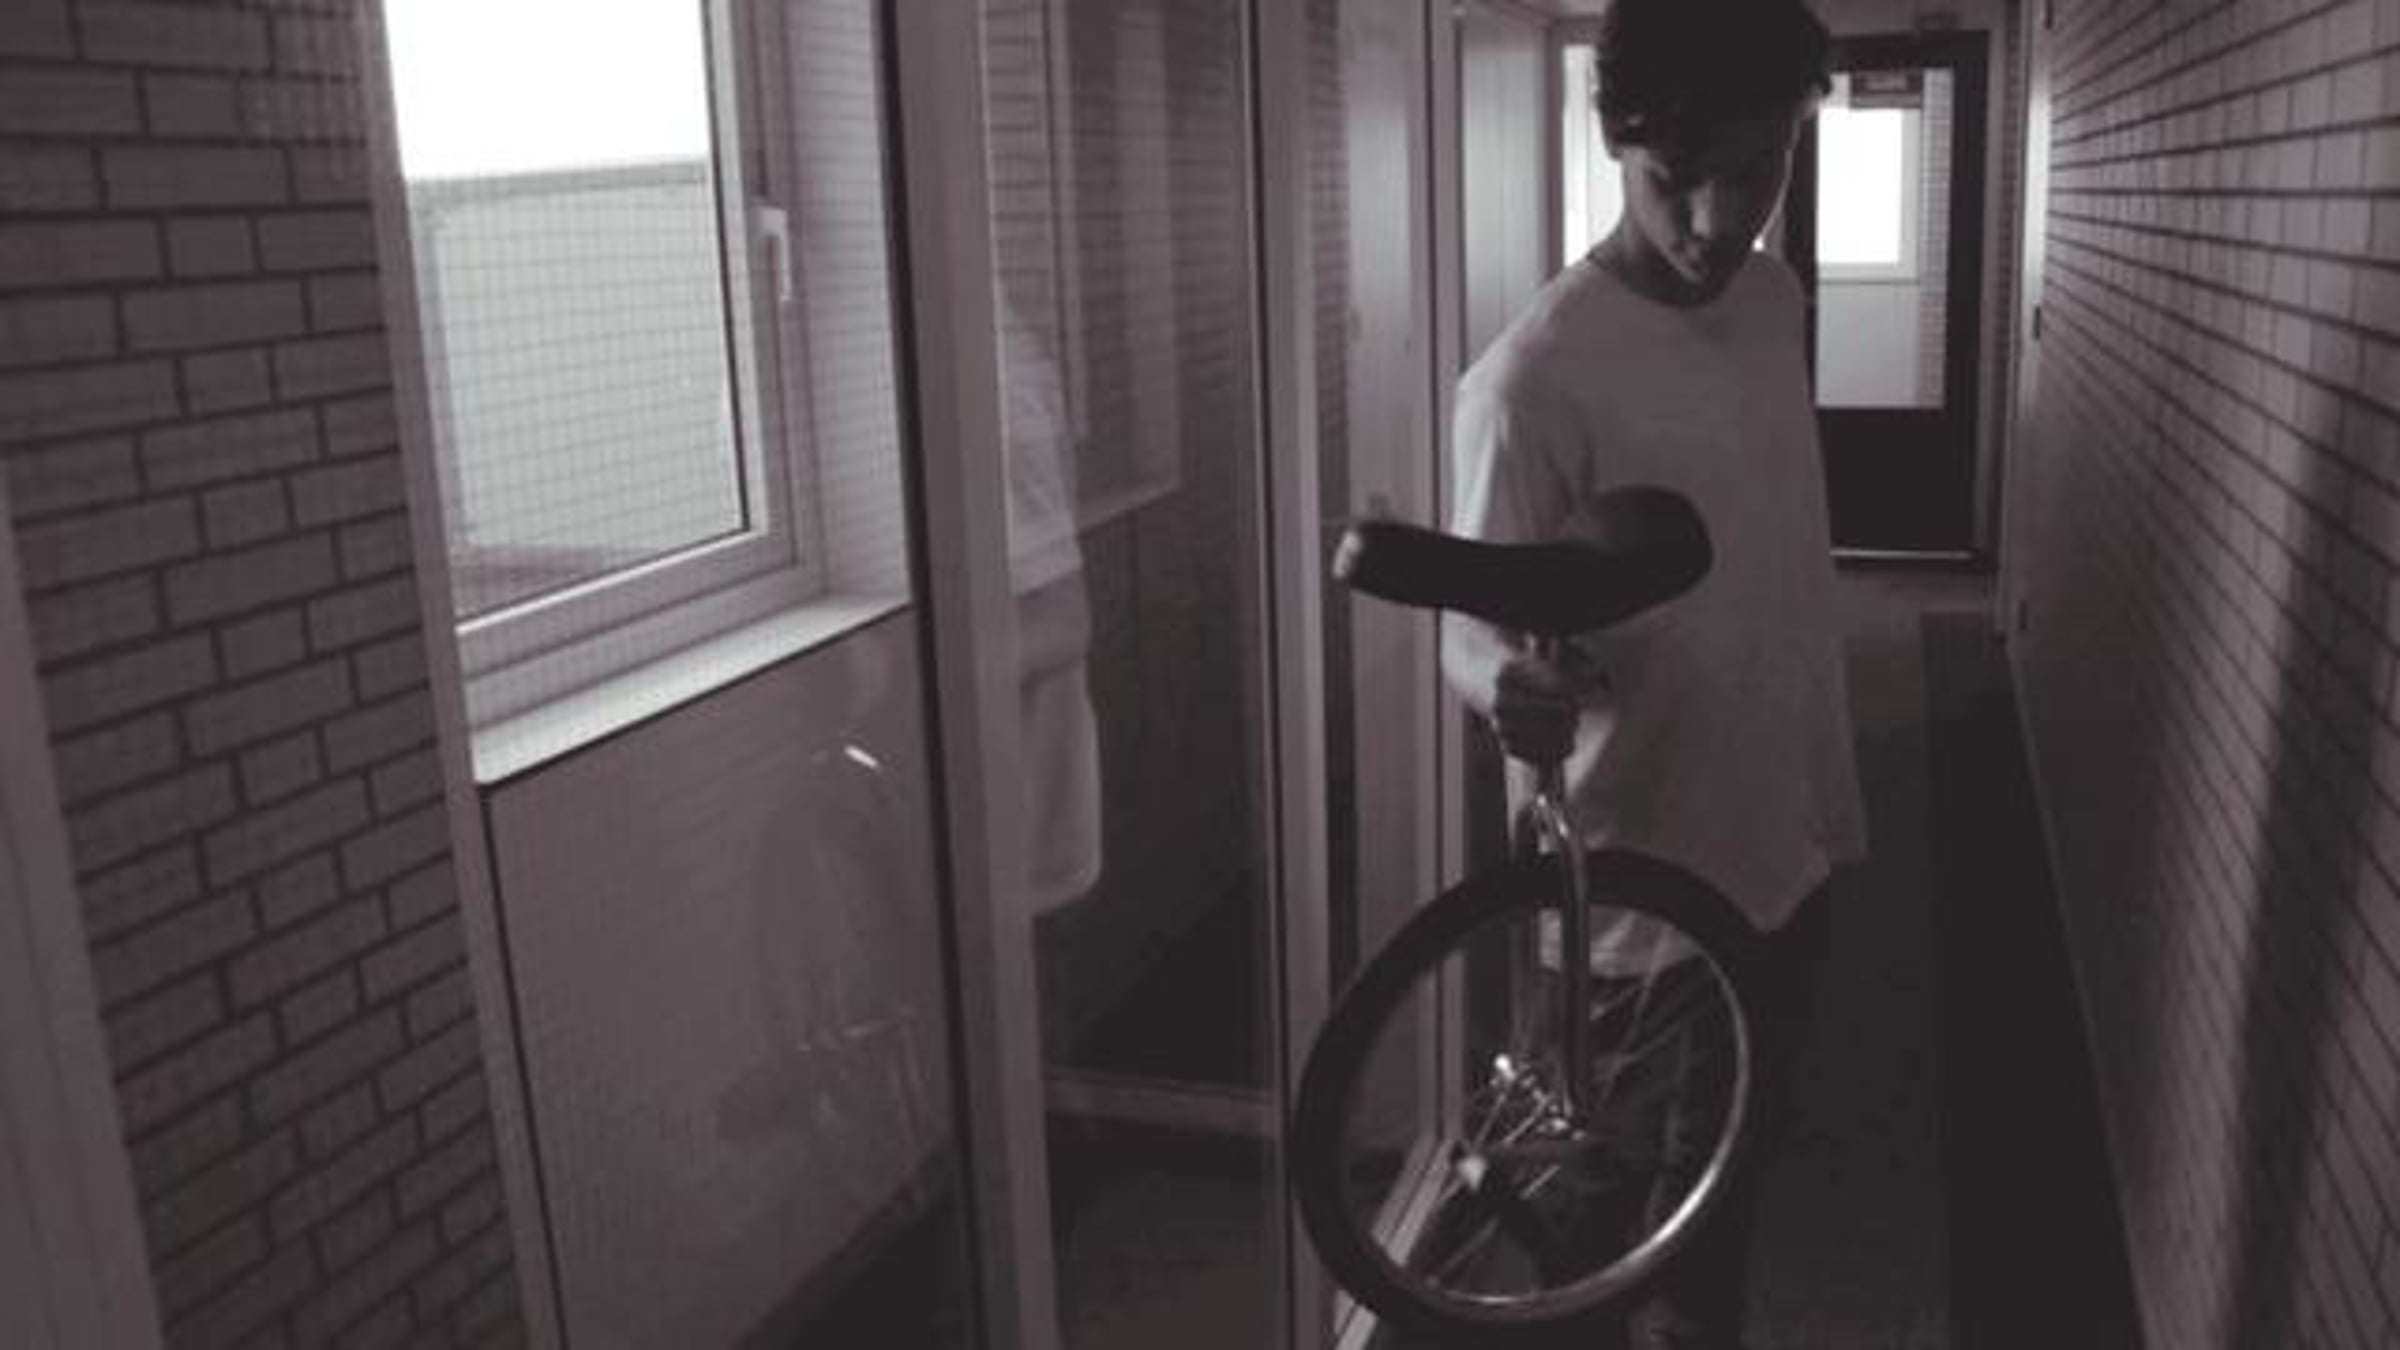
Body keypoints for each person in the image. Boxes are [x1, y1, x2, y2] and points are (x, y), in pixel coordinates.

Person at [1437, 0, 1868, 1345]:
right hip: (1638, 909)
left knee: (1722, 1223)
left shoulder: (1774, 301)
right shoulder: (1532, 380)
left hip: (1783, 857)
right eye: (1675, 176)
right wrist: (1501, 681)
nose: (1715, 218)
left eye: (1756, 169)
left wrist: (1830, 814)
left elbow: (1778, 563)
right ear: (1614, 139)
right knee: (1597, 1255)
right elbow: (1467, 624)